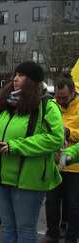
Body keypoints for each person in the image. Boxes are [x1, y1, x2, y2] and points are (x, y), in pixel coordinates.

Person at [0, 61, 64, 243]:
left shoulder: (47, 106)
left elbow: (55, 138)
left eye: (22, 75)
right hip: (1, 178)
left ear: (33, 81)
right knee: (8, 227)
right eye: (16, 74)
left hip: (28, 181)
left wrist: (14, 146)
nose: (16, 78)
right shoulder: (6, 103)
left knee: (25, 230)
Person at [43, 77, 79, 243]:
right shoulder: (52, 106)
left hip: (75, 167)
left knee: (73, 205)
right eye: (57, 97)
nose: (60, 100)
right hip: (54, 164)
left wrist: (69, 132)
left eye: (64, 97)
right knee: (51, 203)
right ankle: (52, 234)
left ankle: (72, 237)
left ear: (73, 92)